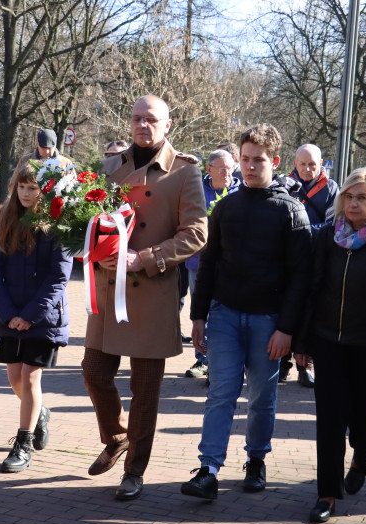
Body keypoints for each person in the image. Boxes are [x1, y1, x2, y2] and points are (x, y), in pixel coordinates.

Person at [83, 94, 208, 501]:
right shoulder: (108, 169)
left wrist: (149, 258)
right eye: (136, 118)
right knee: (95, 372)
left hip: (151, 292)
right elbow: (89, 220)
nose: (142, 125)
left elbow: (196, 234)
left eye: (151, 119)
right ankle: (117, 436)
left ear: (167, 124)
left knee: (146, 388)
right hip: (108, 291)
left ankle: (135, 470)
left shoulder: (185, 173)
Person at [180, 124, 312, 500]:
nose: (251, 167)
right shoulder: (224, 207)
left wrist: (287, 329)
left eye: (259, 160)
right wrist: (199, 316)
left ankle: (256, 459)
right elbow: (208, 265)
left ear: (276, 161)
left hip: (269, 322)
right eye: (246, 159)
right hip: (224, 315)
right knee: (221, 392)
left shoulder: (291, 212)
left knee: (261, 397)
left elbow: (301, 279)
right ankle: (208, 470)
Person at [294, 168, 366, 523]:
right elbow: (312, 290)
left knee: (364, 417)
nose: (355, 203)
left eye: (363, 197)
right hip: (328, 341)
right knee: (329, 420)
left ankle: (361, 457)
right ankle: (326, 494)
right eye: (349, 196)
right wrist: (302, 342)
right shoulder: (328, 237)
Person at [0, 164, 73, 472]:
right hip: (11, 315)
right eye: (21, 187)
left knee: (30, 376)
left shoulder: (57, 222)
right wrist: (9, 314)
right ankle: (39, 413)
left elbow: (58, 277)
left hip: (44, 318)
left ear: (45, 190)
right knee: (14, 378)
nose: (25, 193)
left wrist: (30, 315)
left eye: (32, 188)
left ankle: (22, 445)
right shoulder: (7, 218)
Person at [284, 143, 341, 388]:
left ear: (321, 164)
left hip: (318, 259)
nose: (308, 169)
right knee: (284, 309)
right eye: (303, 164)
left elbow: (333, 223)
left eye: (313, 164)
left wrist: (302, 233)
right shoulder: (283, 185)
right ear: (295, 163)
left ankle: (304, 366)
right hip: (287, 259)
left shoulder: (332, 189)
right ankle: (280, 363)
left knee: (311, 312)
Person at [184, 148, 241, 381]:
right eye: (222, 169)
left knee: (224, 313)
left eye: (230, 169)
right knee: (200, 312)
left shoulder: (242, 191)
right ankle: (202, 360)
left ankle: (220, 363)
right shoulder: (196, 191)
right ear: (209, 170)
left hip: (231, 266)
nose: (227, 173)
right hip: (199, 263)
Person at [11, 128, 71, 194]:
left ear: (55, 145)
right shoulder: (25, 160)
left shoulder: (66, 163)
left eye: (50, 148)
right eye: (44, 148)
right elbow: (12, 186)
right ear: (37, 143)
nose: (47, 151)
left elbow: (72, 189)